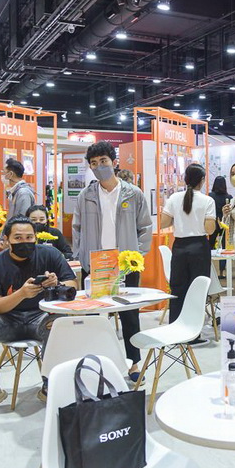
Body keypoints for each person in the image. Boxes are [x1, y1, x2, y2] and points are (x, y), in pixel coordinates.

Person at [0, 216, 77, 421]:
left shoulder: (50, 254)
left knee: (57, 324)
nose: (25, 242)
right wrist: (21, 294)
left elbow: (73, 284)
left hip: (41, 316)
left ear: (36, 237)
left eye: (29, 237)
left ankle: (51, 384)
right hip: (7, 319)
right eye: (18, 238)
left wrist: (57, 284)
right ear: (6, 240)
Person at [72, 141, 152, 381]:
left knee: (130, 316)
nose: (99, 167)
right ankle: (96, 365)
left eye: (103, 161)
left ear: (114, 162)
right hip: (96, 264)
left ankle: (134, 364)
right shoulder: (86, 195)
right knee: (94, 317)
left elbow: (145, 227)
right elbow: (76, 228)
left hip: (125, 265)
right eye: (94, 163)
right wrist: (82, 257)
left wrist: (136, 256)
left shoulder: (133, 193)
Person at [161, 164, 216, 328]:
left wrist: (179, 219)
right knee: (198, 289)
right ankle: (194, 330)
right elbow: (209, 229)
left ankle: (176, 327)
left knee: (177, 288)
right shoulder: (208, 201)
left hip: (179, 247)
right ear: (202, 180)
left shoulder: (174, 198)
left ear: (185, 179)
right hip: (199, 247)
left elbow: (164, 223)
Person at [208, 176, 232, 250]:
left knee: (210, 244)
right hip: (225, 223)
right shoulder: (229, 197)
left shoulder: (210, 196)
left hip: (213, 222)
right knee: (225, 245)